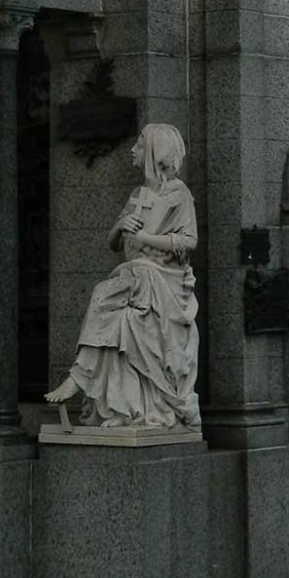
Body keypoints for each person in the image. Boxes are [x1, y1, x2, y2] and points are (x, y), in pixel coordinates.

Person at [46, 124, 200, 430]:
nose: (133, 150)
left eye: (139, 146)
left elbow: (189, 241)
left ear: (155, 152)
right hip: (134, 275)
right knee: (118, 322)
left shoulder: (179, 194)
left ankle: (78, 378)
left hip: (163, 279)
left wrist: (145, 238)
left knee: (105, 292)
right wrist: (121, 226)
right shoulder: (138, 194)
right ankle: (111, 398)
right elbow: (114, 243)